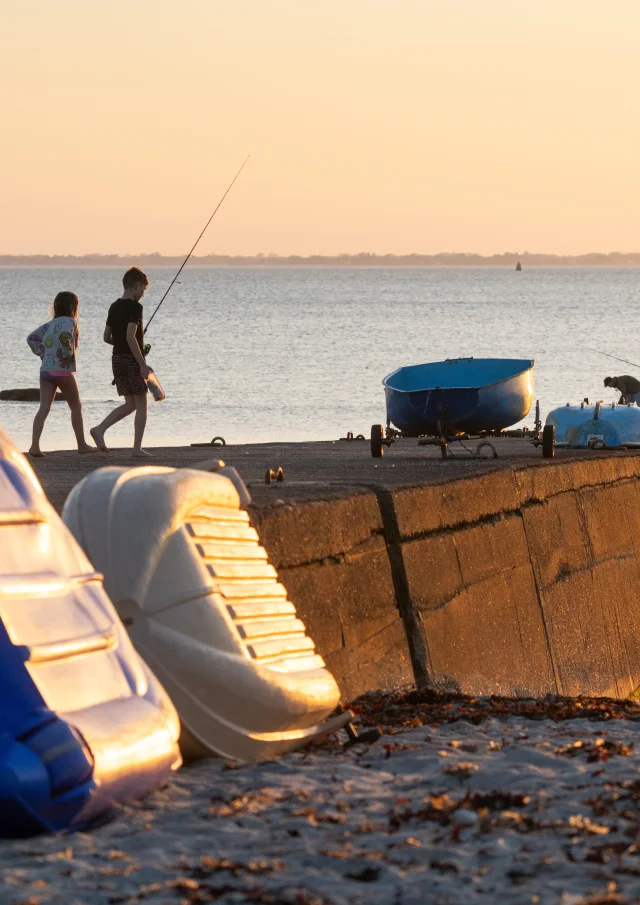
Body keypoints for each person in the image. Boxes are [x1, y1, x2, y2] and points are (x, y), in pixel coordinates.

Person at [90, 267, 152, 456]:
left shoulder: (114, 306)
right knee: (141, 402)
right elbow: (130, 336)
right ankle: (136, 449)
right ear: (136, 285)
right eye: (143, 290)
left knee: (130, 403)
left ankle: (99, 430)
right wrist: (142, 363)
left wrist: (128, 348)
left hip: (116, 358)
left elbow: (107, 337)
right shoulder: (135, 308)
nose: (143, 294)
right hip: (132, 360)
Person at [26, 291, 94, 457]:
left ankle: (34, 446)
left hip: (46, 370)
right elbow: (65, 337)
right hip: (62, 371)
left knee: (44, 407)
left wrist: (43, 353)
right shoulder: (71, 321)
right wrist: (68, 354)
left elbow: (31, 338)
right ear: (73, 307)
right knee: (76, 406)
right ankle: (82, 445)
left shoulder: (49, 324)